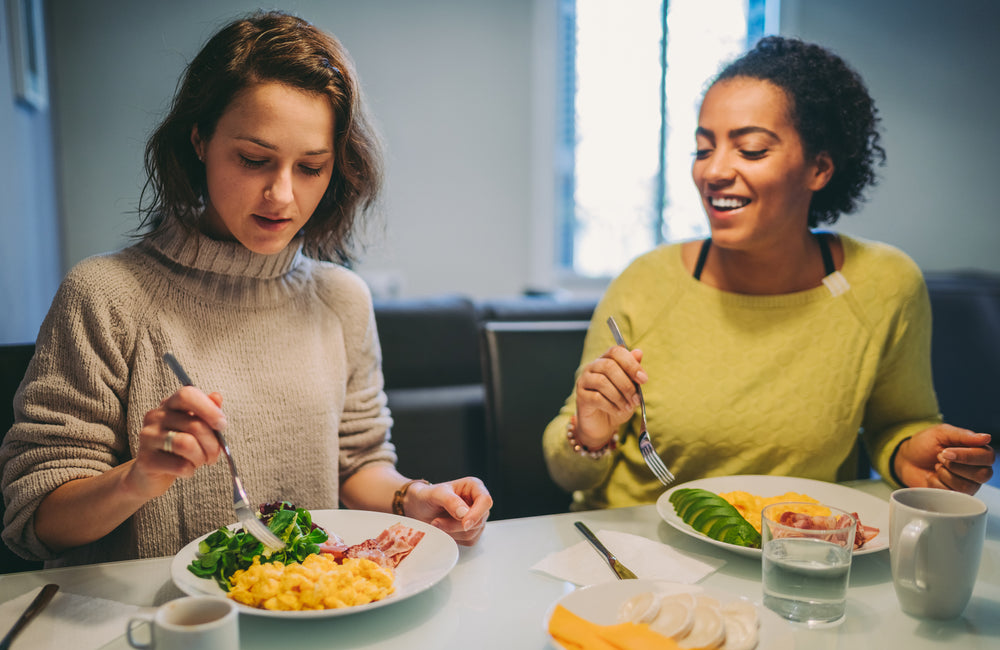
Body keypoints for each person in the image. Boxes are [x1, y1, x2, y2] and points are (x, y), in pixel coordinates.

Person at [0, 10, 491, 567]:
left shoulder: (341, 300)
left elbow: (357, 464)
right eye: (255, 159)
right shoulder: (106, 295)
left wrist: (412, 497)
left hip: (302, 611)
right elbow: (32, 519)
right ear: (200, 140)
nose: (281, 195)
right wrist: (139, 478)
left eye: (310, 167)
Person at [543, 36, 994, 511]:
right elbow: (565, 470)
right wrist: (591, 431)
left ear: (818, 168)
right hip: (638, 556)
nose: (713, 171)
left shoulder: (885, 284)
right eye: (703, 149)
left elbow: (897, 425)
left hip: (794, 556)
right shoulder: (645, 282)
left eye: (751, 150)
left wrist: (909, 456)